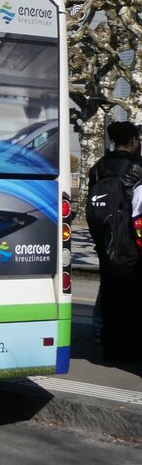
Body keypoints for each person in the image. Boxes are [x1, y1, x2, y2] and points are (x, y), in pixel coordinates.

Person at [86, 120, 142, 364]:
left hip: (104, 237)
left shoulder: (97, 167)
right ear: (133, 141)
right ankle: (130, 351)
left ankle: (110, 349)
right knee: (132, 296)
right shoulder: (138, 167)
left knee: (110, 292)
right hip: (130, 240)